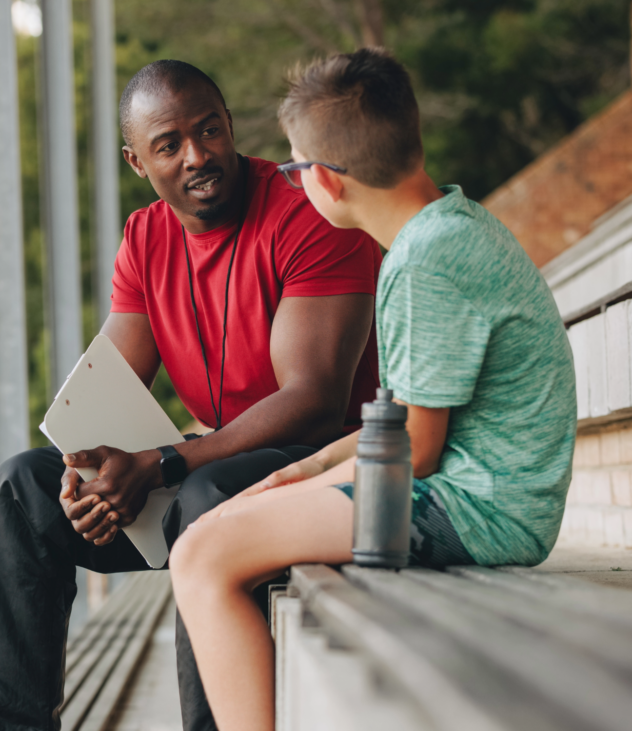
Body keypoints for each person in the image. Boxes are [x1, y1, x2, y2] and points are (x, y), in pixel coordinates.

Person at [0, 60, 384, 731]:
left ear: (230, 125)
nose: (198, 155)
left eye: (209, 130)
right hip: (211, 467)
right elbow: (104, 398)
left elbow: (315, 401)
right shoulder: (146, 237)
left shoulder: (307, 210)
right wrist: (83, 475)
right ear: (137, 161)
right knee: (19, 490)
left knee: (205, 499)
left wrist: (162, 461)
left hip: (328, 470)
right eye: (169, 144)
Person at [169, 47, 578, 731]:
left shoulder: (427, 262)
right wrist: (295, 473)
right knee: (219, 527)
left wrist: (273, 498)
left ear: (326, 181)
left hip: (480, 509)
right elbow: (401, 426)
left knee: (201, 554)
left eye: (297, 169)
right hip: (479, 494)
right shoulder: (445, 227)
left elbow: (414, 451)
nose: (296, 184)